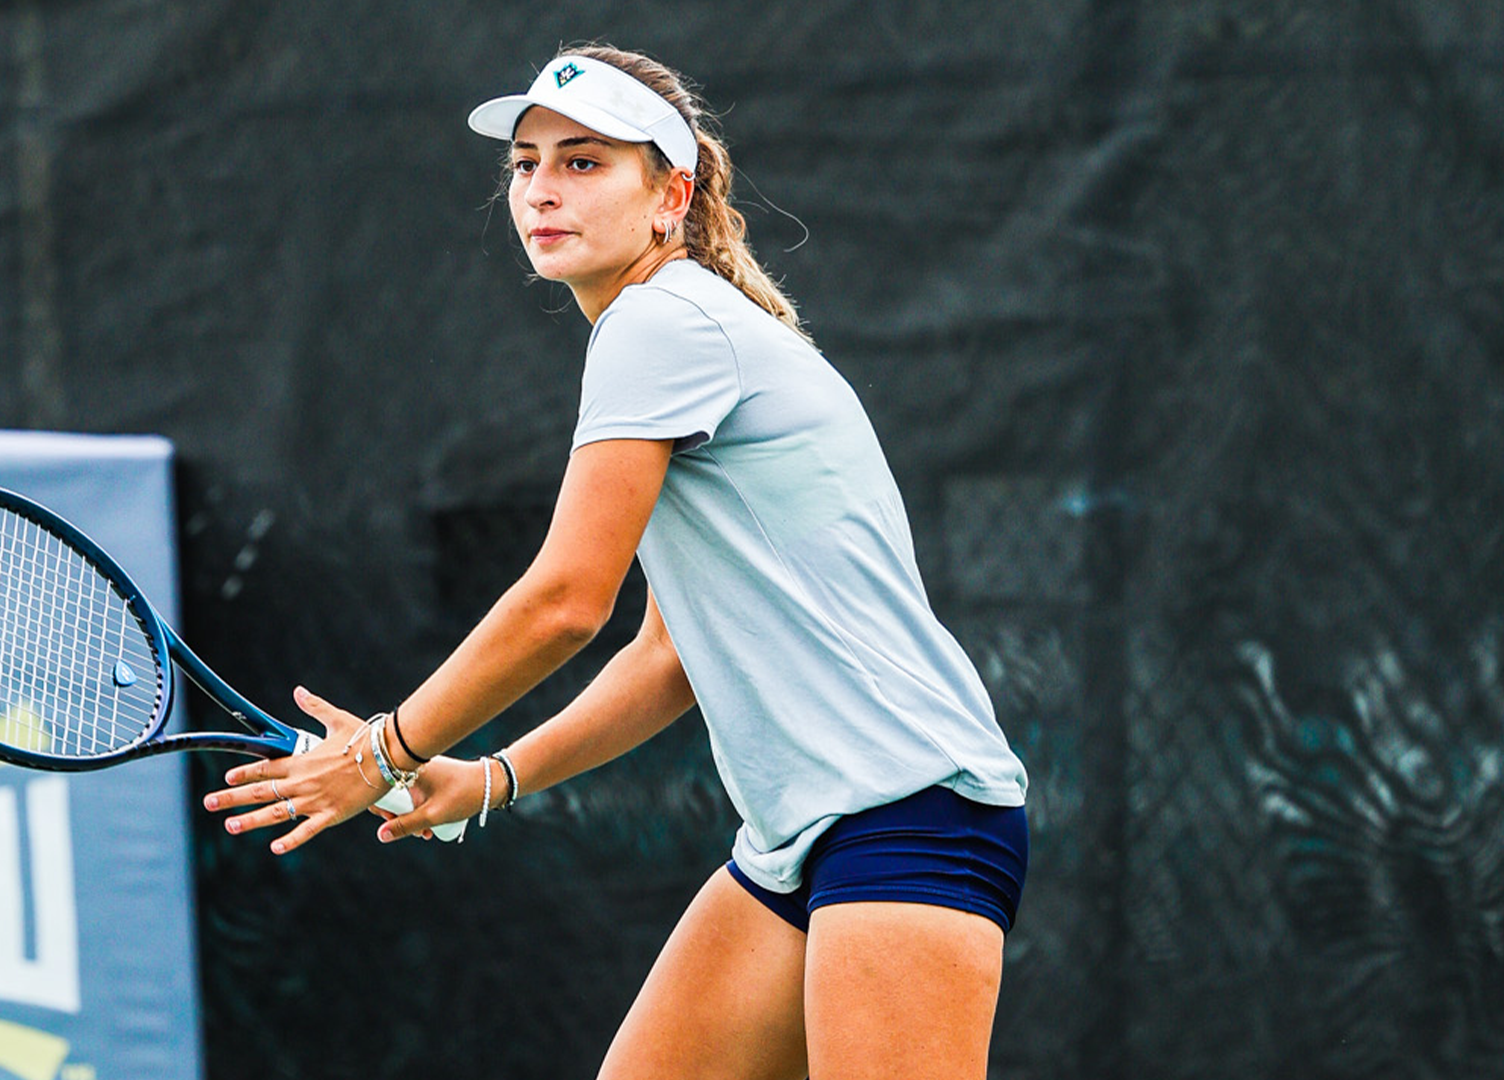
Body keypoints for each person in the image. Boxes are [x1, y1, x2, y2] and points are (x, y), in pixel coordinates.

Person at [201, 44, 1029, 1080]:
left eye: (584, 163)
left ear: (668, 198)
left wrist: (385, 752)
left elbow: (563, 602)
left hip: (909, 813)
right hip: (795, 843)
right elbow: (667, 656)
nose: (543, 188)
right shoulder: (682, 328)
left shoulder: (661, 321)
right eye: (526, 164)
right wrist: (491, 778)